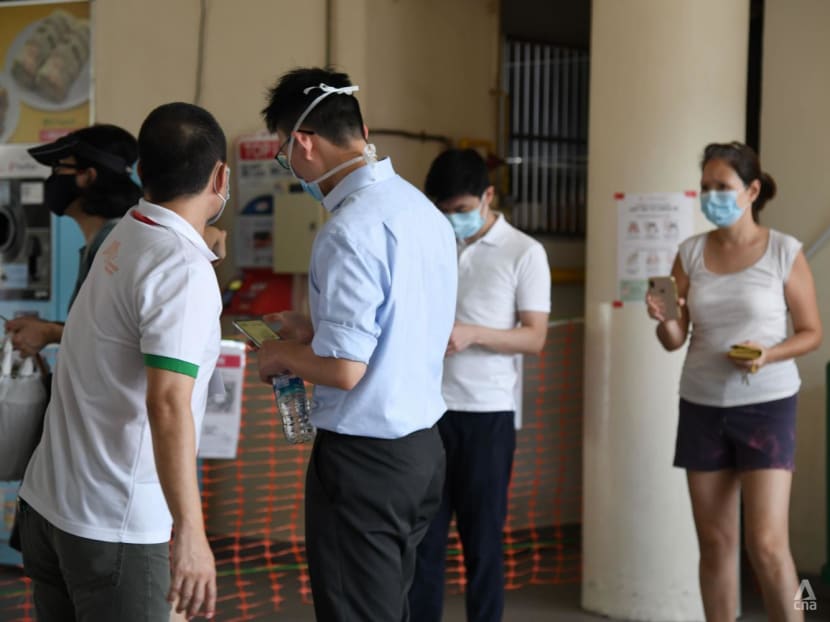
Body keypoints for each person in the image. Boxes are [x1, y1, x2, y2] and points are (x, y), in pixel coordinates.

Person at [257, 67, 457, 621]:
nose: (291, 167)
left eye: (284, 154)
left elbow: (346, 369)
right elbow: (403, 328)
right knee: (388, 605)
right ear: (362, 127)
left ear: (303, 143)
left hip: (365, 461)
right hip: (421, 450)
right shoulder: (423, 212)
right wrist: (311, 331)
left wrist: (278, 355)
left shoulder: (350, 229)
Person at [16, 102, 229, 622]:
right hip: (115, 524)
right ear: (220, 176)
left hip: (51, 505)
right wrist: (193, 533)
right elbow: (168, 403)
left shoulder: (126, 234)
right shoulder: (180, 266)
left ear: (143, 173)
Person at [646, 141, 821, 621]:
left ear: (752, 191)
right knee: (716, 543)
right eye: (705, 187)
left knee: (767, 545)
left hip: (768, 405)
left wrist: (770, 354)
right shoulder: (690, 253)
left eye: (722, 187)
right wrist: (664, 318)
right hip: (701, 404)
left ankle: (801, 612)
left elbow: (811, 333)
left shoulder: (784, 251)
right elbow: (674, 339)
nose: (710, 196)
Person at [408, 149, 551, 622]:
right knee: (423, 540)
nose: (452, 220)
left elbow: (535, 337)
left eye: (462, 210)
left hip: (488, 415)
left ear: (489, 196)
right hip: (428, 411)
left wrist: (473, 334)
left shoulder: (524, 252)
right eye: (443, 212)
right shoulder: (431, 245)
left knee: (482, 542)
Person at [5, 124, 143, 355]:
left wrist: (49, 333)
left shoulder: (113, 245)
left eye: (59, 168)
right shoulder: (102, 242)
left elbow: (115, 335)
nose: (52, 179)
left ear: (87, 177)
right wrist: (46, 328)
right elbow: (94, 325)